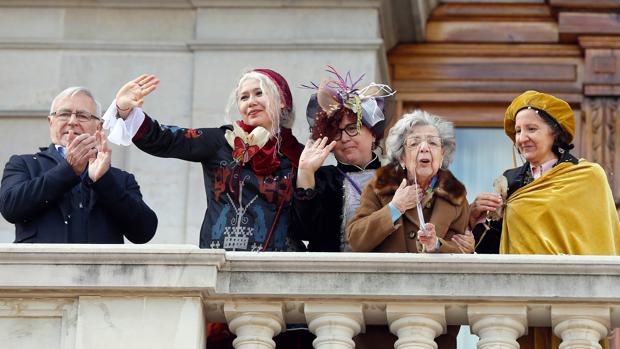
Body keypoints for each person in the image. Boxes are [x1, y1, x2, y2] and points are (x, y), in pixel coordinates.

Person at [470, 90, 620, 348]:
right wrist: (476, 220)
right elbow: (494, 250)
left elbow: (602, 239)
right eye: (518, 131)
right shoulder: (510, 180)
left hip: (573, 300)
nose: (522, 138)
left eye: (531, 129)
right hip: (521, 303)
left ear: (554, 132)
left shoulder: (587, 176)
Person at [103, 70, 304, 251]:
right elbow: (166, 139)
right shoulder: (223, 141)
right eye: (243, 97)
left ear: (281, 100)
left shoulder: (301, 156)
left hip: (281, 270)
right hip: (223, 266)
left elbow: (311, 222)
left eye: (259, 93)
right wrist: (124, 109)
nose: (250, 101)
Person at [346, 109, 473, 349]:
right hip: (382, 320)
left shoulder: (457, 196)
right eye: (414, 143)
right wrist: (394, 208)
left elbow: (462, 249)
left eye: (433, 143)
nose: (425, 148)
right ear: (402, 157)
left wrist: (436, 245)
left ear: (442, 153)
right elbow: (356, 238)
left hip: (436, 321)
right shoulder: (379, 187)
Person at [0, 87, 157, 244]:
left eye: (82, 116)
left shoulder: (119, 179)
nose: (72, 121)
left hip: (100, 269)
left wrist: (104, 182)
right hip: (40, 268)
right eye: (64, 114)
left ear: (99, 126)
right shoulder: (24, 164)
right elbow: (10, 208)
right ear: (51, 122)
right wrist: (68, 169)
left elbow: (144, 232)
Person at [292, 66, 395, 252]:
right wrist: (305, 173)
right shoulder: (323, 179)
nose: (345, 138)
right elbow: (305, 231)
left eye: (352, 128)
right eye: (336, 133)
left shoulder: (397, 178)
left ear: (373, 134)